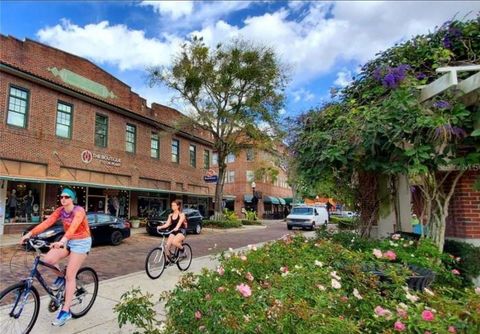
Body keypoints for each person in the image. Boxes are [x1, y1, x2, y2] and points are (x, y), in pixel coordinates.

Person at [20, 188, 91, 327]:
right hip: (69, 241)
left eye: (67, 197)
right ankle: (61, 276)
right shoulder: (60, 211)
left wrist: (62, 241)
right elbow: (47, 222)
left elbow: (73, 227)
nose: (63, 199)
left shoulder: (79, 210)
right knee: (48, 260)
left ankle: (66, 311)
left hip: (82, 242)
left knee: (70, 275)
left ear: (72, 199)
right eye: (62, 197)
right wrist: (30, 234)